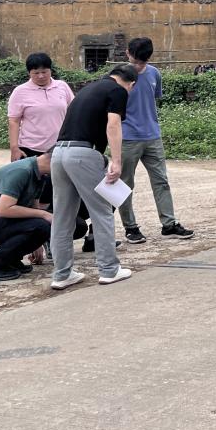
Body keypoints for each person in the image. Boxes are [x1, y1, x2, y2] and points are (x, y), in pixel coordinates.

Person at [48, 64, 138, 290]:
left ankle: (62, 274)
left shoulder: (88, 89)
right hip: (83, 154)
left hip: (58, 153)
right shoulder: (118, 90)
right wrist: (116, 161)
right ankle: (109, 270)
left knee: (62, 216)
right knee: (102, 211)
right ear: (131, 84)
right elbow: (113, 124)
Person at [116, 37, 194, 243]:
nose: (138, 65)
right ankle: (130, 227)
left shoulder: (154, 73)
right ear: (128, 54)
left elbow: (153, 98)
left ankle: (169, 224)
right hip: (127, 137)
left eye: (142, 61)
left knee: (161, 181)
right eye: (135, 60)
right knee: (124, 184)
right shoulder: (118, 75)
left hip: (152, 136)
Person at [0, 153, 86, 280]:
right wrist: (44, 215)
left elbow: (34, 207)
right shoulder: (21, 171)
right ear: (55, 162)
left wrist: (37, 243)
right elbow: (4, 209)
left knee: (72, 224)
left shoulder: (40, 175)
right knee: (42, 225)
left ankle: (11, 259)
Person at [7, 52, 75, 213]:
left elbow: (73, 111)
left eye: (44, 71)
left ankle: (54, 222)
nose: (41, 76)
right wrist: (14, 147)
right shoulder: (20, 91)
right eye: (35, 73)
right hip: (30, 148)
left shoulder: (62, 87)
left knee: (55, 189)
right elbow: (14, 120)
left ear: (51, 70)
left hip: (59, 147)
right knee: (31, 191)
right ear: (29, 73)